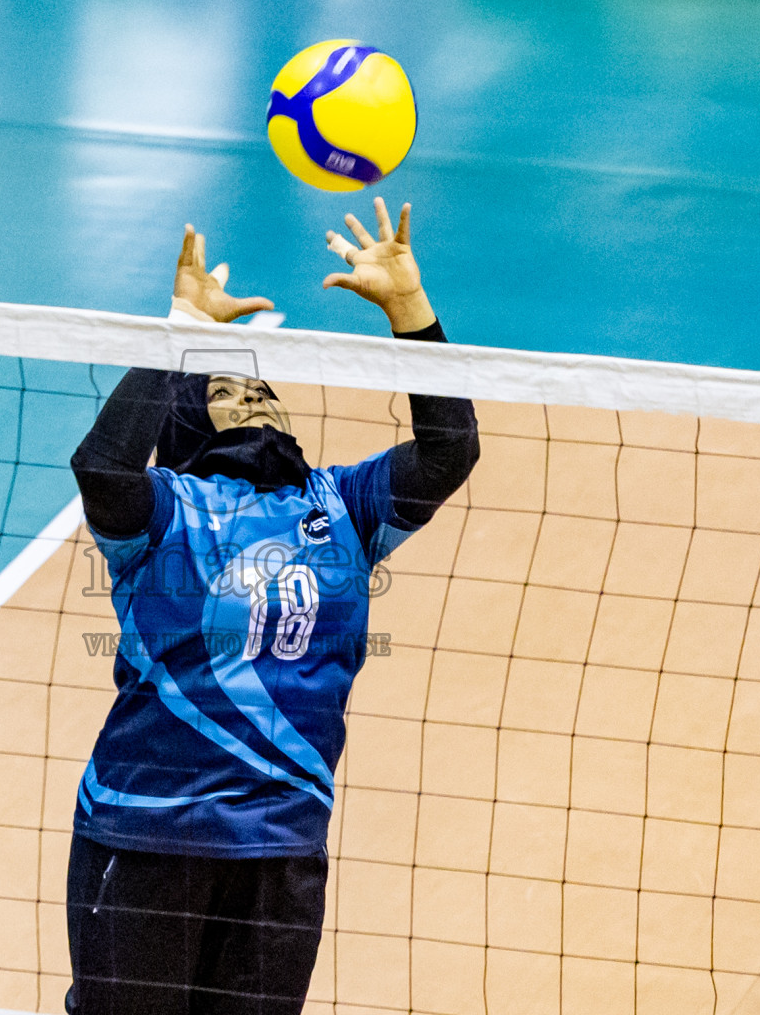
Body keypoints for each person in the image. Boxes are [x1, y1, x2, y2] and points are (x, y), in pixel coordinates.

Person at [65, 198, 479, 1014]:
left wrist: (410, 312)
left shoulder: (346, 504)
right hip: (149, 834)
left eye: (255, 382)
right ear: (185, 423)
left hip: (280, 846)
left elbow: (449, 450)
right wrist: (177, 333)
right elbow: (101, 470)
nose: (247, 392)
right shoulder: (164, 508)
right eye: (219, 384)